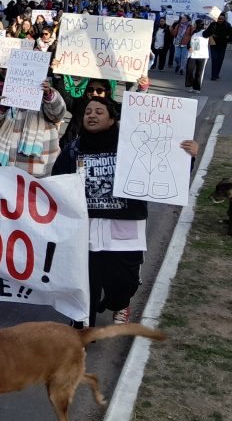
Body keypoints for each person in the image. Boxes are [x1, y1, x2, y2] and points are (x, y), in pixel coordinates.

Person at [52, 96, 198, 326]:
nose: (91, 115)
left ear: (112, 119)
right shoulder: (73, 150)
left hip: (124, 228)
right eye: (88, 111)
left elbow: (169, 170)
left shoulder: (131, 147)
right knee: (84, 281)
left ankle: (120, 303)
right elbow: (57, 180)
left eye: (99, 112)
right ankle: (81, 324)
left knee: (124, 283)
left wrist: (187, 156)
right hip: (85, 229)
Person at [0, 78, 67, 177]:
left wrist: (48, 94)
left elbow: (58, 115)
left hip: (37, 173)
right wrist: (1, 107)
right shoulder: (8, 96)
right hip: (5, 169)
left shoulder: (46, 96)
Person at [185, 20, 210, 92]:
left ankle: (197, 88)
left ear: (199, 25)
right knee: (189, 69)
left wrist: (214, 21)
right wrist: (189, 47)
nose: (193, 25)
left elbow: (210, 30)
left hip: (202, 55)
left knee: (199, 72)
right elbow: (190, 41)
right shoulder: (194, 32)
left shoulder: (204, 33)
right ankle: (191, 84)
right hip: (193, 54)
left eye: (195, 24)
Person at [207, 12, 230, 81]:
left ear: (224, 19)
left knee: (220, 60)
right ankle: (213, 75)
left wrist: (227, 38)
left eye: (222, 19)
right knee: (214, 59)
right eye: (219, 19)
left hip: (223, 45)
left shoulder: (227, 25)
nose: (220, 20)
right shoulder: (213, 24)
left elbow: (231, 35)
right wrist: (211, 34)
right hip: (213, 45)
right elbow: (207, 32)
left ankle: (216, 74)